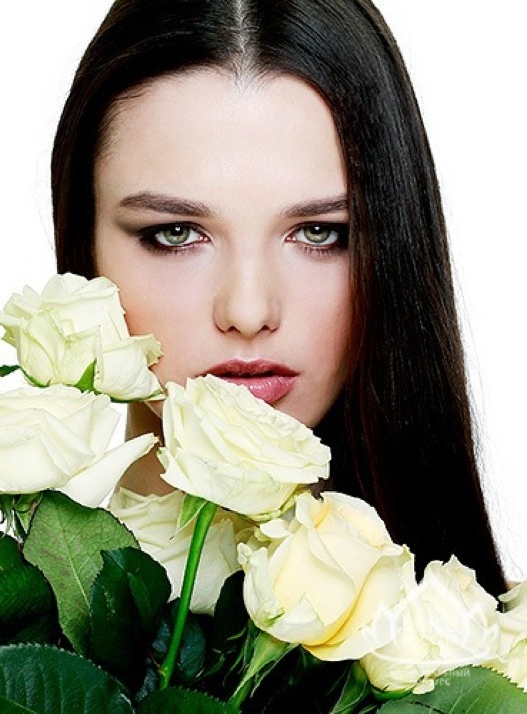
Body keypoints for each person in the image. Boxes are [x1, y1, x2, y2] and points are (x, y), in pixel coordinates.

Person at [51, 0, 506, 597]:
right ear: (82, 251)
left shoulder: (498, 647)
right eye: (176, 233)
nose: (248, 312)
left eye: (319, 233)